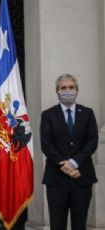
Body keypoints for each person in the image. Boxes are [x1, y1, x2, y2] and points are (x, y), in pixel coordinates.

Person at [40, 74, 98, 230]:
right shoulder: (48, 115)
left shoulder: (87, 113)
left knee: (80, 223)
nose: (67, 91)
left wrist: (73, 162)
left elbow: (92, 141)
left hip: (82, 177)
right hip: (56, 179)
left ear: (77, 90)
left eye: (71, 87)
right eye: (63, 88)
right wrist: (65, 165)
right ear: (57, 91)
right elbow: (46, 144)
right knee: (57, 224)